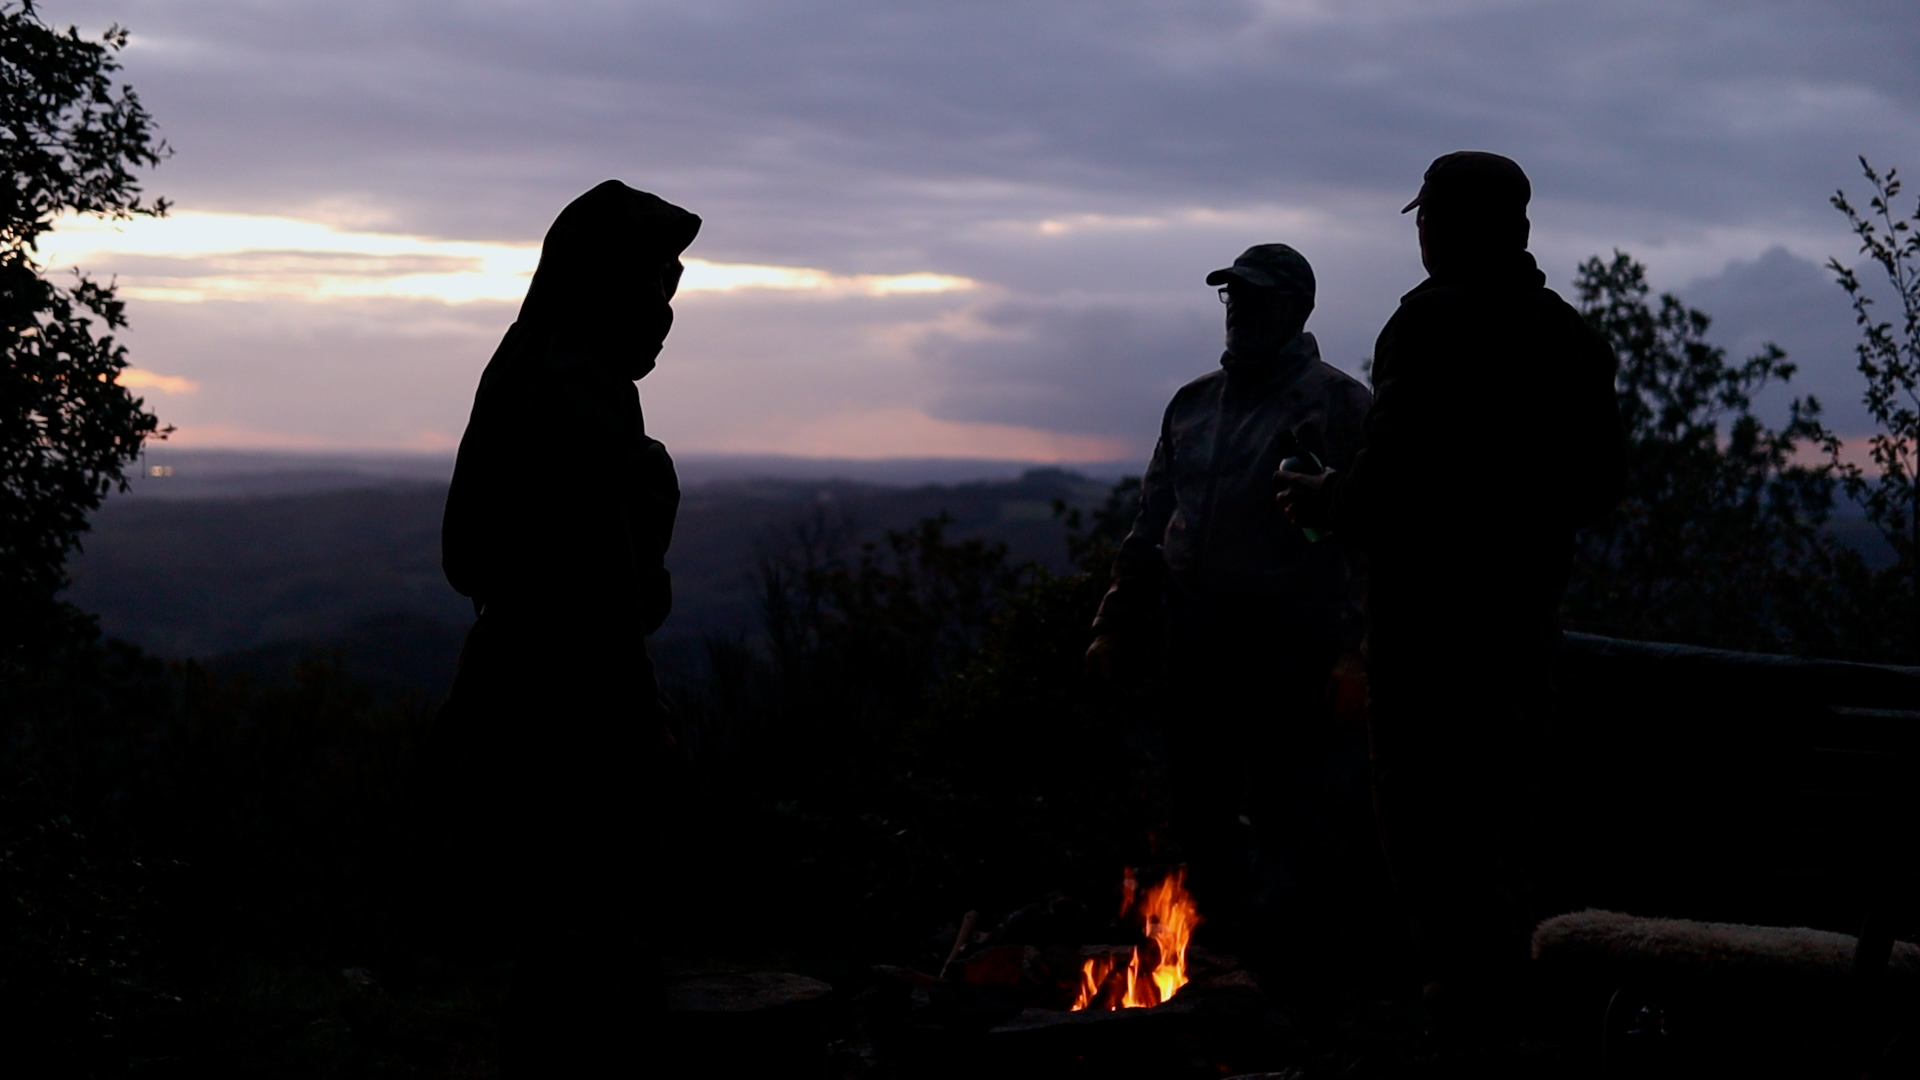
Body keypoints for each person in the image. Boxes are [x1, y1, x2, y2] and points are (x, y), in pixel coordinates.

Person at [1275, 152, 1626, 1020]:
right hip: (1523, 624)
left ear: (1454, 225)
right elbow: (1604, 487)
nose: (1421, 231)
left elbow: (1381, 489)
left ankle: (1463, 1009)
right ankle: (1514, 1000)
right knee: (1502, 815)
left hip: (1428, 629)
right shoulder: (1575, 339)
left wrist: (1320, 495)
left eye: (1427, 216)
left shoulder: (1430, 324)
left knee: (1429, 822)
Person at [422, 180, 698, 1076]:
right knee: (587, 952)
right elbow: (602, 601)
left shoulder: (544, 364)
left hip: (525, 690)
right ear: (610, 281)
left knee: (564, 948)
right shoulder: (573, 395)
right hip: (565, 712)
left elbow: (472, 553)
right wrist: (641, 718)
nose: (667, 311)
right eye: (658, 284)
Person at [1087, 243, 1373, 968]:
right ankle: (1217, 960)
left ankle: (1293, 973)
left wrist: (1357, 653)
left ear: (1296, 309)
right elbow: (1152, 523)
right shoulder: (1192, 405)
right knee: (1198, 798)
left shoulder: (1338, 404)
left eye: (1257, 296)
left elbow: (1376, 540)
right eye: (1233, 295)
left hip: (1293, 641)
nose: (1240, 309)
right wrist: (1117, 623)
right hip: (1198, 631)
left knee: (1290, 809)